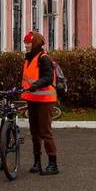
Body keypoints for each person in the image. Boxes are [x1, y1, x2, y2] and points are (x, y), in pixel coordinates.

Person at [22, 31, 59, 175]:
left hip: (44, 100)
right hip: (32, 99)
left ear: (35, 44)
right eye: (25, 43)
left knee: (45, 132)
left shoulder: (43, 58)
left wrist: (35, 85)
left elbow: (48, 78)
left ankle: (52, 164)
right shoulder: (29, 58)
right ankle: (37, 162)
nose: (26, 45)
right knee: (34, 133)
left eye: (28, 43)